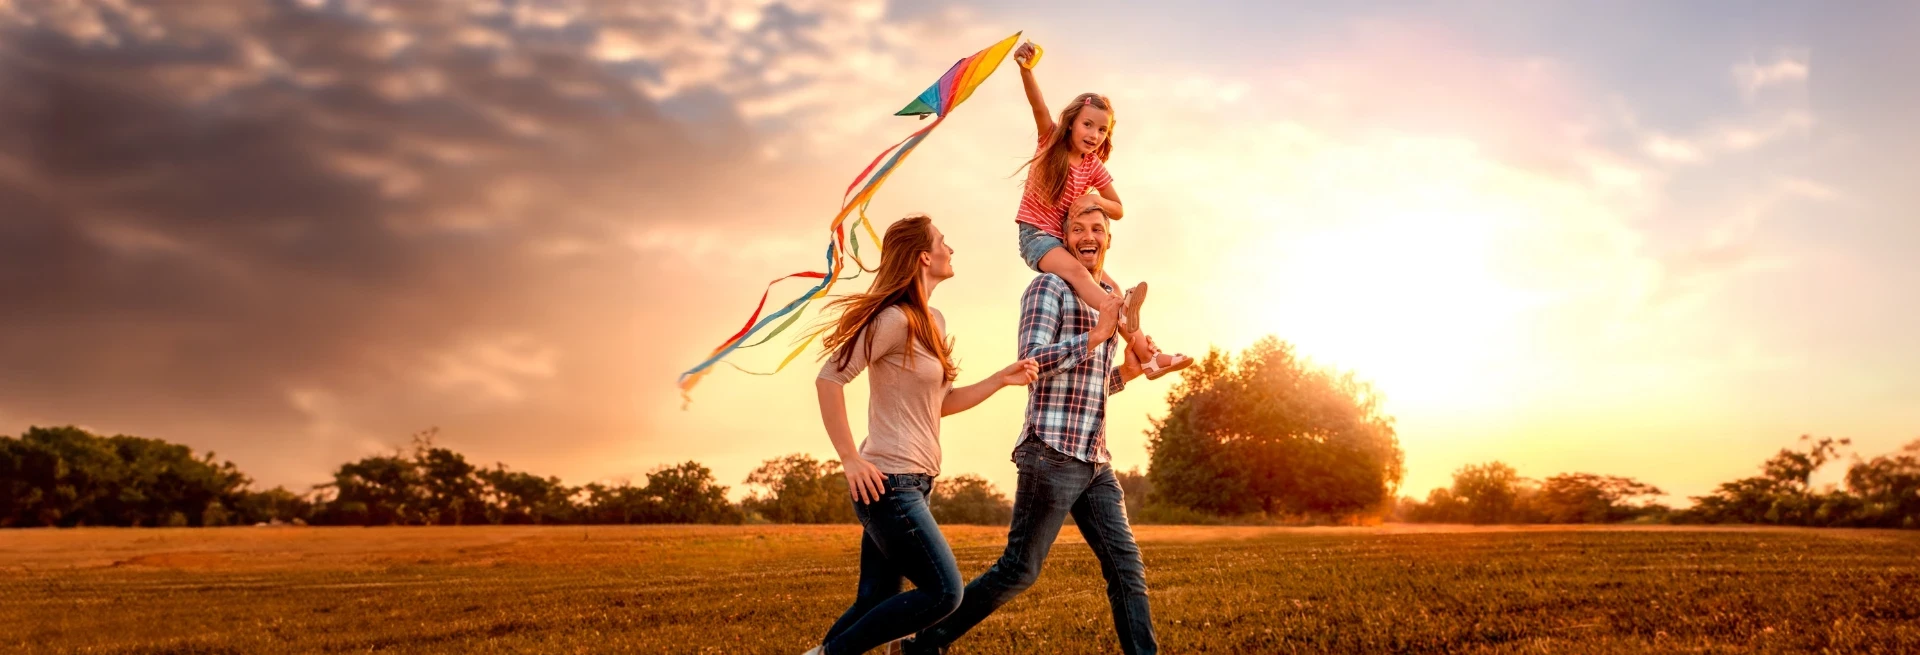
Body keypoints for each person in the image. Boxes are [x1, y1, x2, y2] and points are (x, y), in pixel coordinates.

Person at [906, 205, 1159, 655]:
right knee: (1019, 570)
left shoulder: (1106, 295)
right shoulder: (1048, 286)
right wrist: (1097, 336)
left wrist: (1127, 373)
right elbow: (1031, 362)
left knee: (1127, 570)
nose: (1088, 235)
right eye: (1076, 228)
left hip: (1094, 459)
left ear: (1108, 240)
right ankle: (923, 644)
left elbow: (1089, 390)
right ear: (1062, 240)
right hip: (1051, 453)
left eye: (1097, 229)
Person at [805, 214, 1040, 655]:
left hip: (915, 481)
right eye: (943, 242)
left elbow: (940, 404)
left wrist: (999, 380)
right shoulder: (893, 319)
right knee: (945, 593)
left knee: (877, 600)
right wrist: (849, 459)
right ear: (924, 256)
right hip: (888, 482)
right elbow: (829, 379)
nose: (951, 250)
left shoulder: (933, 319)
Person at [1007, 40, 1189, 382]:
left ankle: (1150, 358)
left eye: (1102, 129)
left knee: (1113, 286)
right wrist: (1026, 70)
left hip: (1062, 241)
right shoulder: (1050, 144)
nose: (1094, 134)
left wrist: (1096, 201)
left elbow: (1117, 208)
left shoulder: (1093, 167)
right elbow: (1038, 107)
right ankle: (1115, 311)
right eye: (1088, 125)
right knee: (1080, 276)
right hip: (1036, 237)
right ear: (1072, 123)